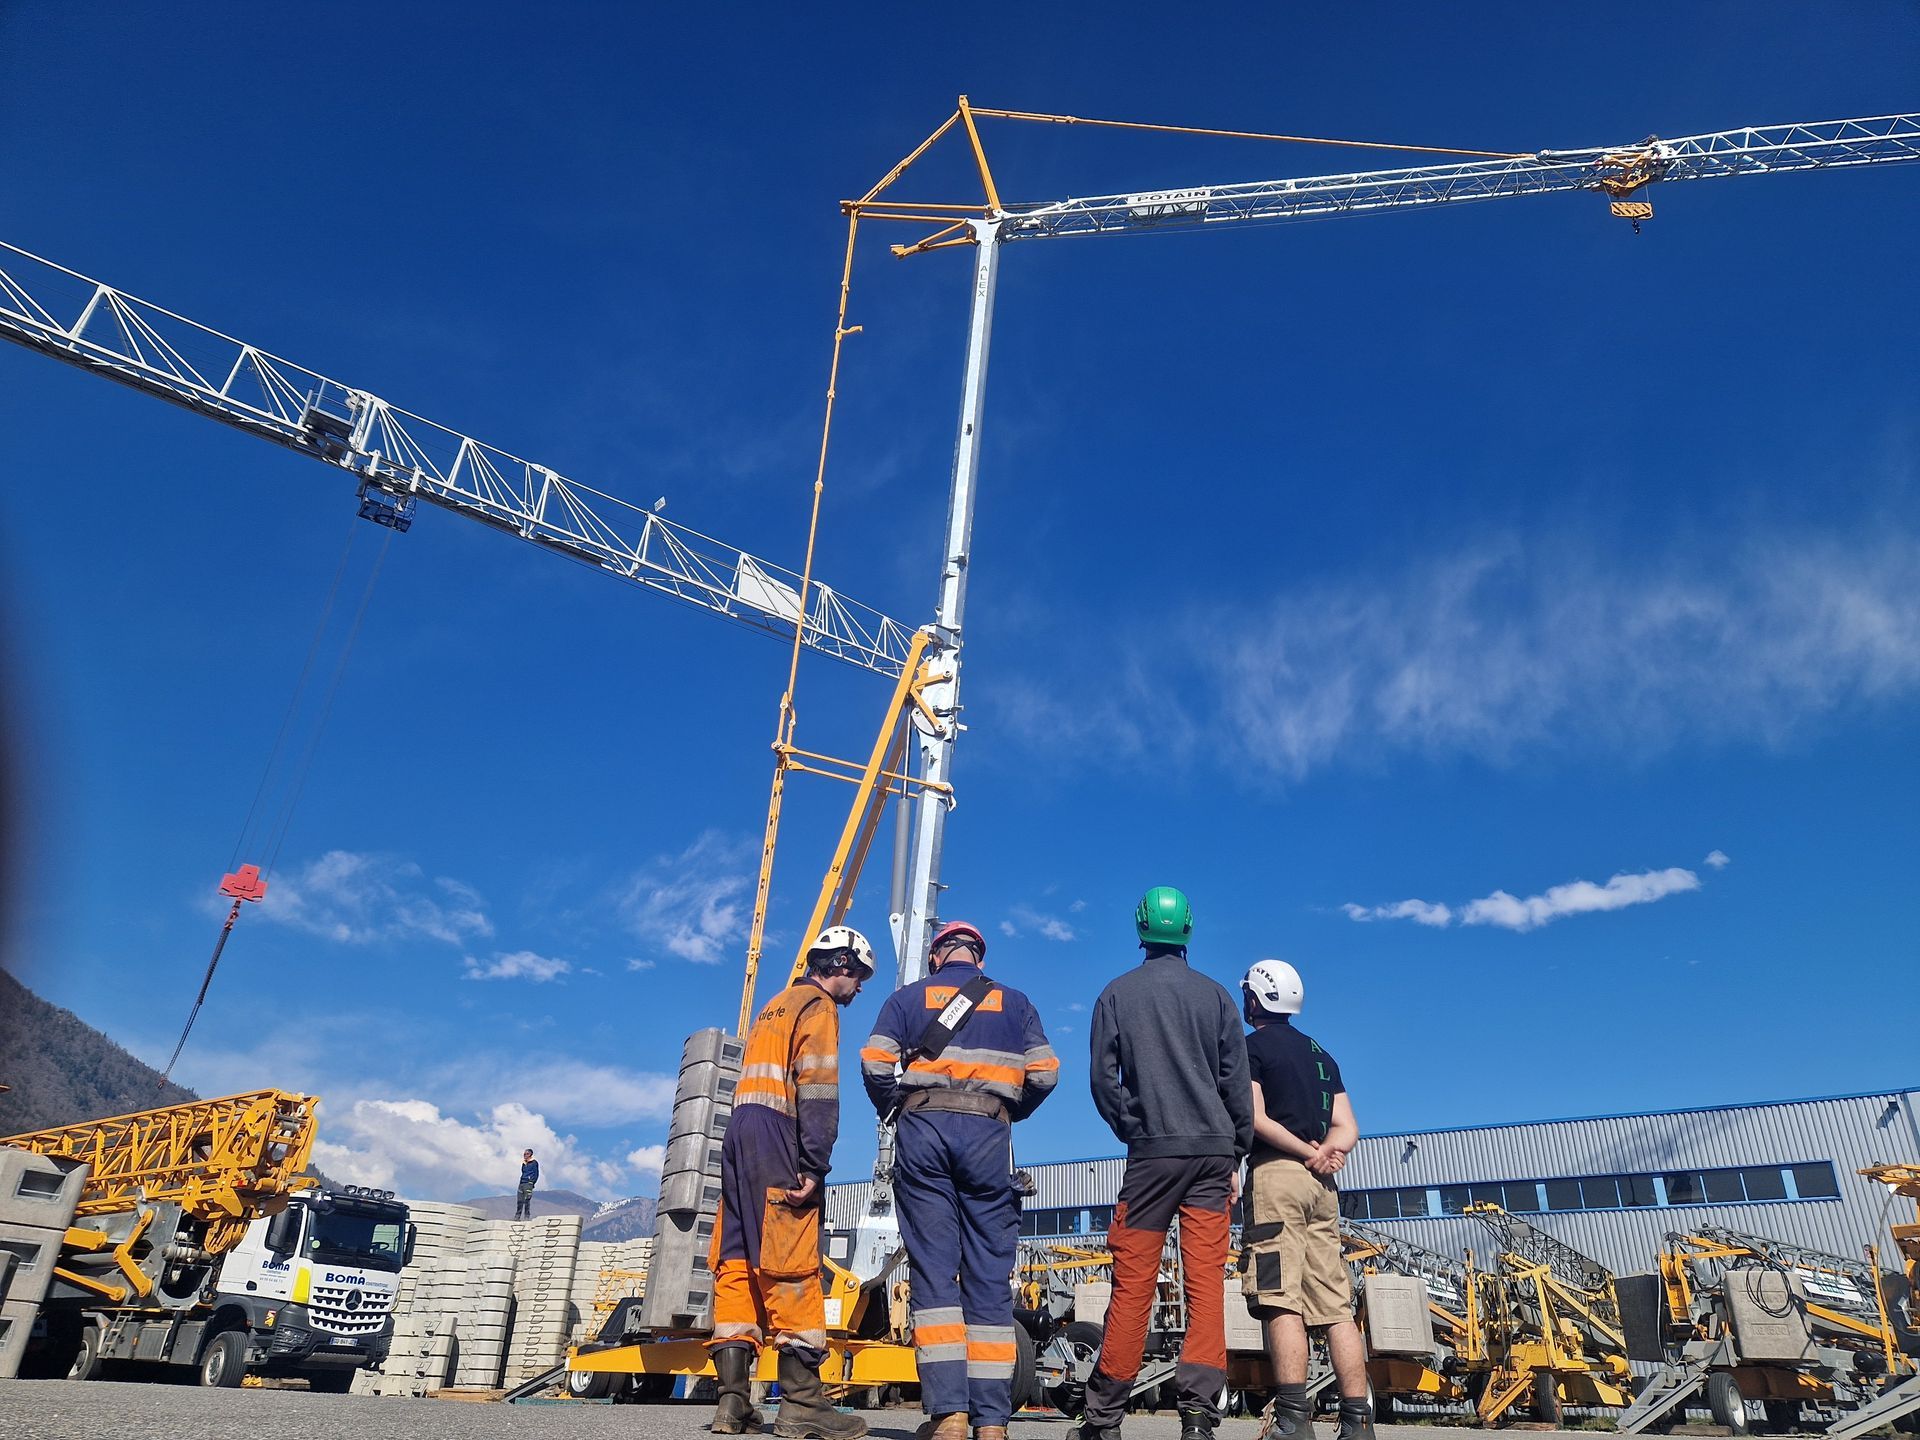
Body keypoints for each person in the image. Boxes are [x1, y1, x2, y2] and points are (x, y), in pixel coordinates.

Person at [861, 920, 1060, 1440]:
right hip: (989, 1137)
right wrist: (1005, 1110)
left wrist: (898, 1110)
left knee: (933, 1272)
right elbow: (1045, 1074)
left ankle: (949, 1415)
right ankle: (992, 1423)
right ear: (979, 958)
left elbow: (875, 1061)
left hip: (924, 1132)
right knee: (990, 1281)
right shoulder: (1015, 1003)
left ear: (936, 958)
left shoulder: (906, 1000)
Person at [1082, 887, 1253, 1440]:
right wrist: (1237, 1150)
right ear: (1188, 931)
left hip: (1152, 1158)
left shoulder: (1115, 994)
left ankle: (1104, 1420)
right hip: (1211, 1157)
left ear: (1140, 928)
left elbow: (1102, 1082)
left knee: (1133, 1284)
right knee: (1205, 1284)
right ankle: (1199, 1417)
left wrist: (1132, 1127)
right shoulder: (1217, 996)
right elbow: (1235, 1083)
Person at [707, 926, 875, 1440]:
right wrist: (815, 1165)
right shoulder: (817, 1006)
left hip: (739, 1131)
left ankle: (732, 1405)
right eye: (860, 976)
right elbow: (819, 1087)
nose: (861, 989)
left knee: (737, 1261)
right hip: (779, 1130)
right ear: (840, 965)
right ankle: (803, 1404)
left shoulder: (775, 1004)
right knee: (790, 1259)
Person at [1238, 959, 1370, 1440]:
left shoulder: (1250, 1049)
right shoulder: (1322, 1055)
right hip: (1323, 1189)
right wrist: (1330, 1155)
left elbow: (1255, 1119)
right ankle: (1358, 1422)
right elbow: (1348, 1126)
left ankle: (1293, 1420)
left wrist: (1305, 1152)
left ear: (1255, 999)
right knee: (1335, 1306)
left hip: (1279, 1178)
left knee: (1279, 1298)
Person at [514, 1148, 539, 1220]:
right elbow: (523, 1172)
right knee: (519, 1200)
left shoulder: (534, 1163)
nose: (525, 1155)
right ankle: (517, 1216)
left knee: (527, 1200)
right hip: (522, 1183)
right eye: (524, 1154)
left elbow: (536, 1173)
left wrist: (532, 1182)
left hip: (528, 1183)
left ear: (531, 1154)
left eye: (527, 1154)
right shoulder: (524, 1163)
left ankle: (526, 1216)